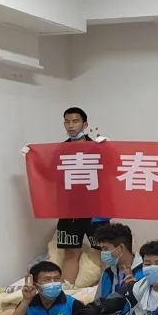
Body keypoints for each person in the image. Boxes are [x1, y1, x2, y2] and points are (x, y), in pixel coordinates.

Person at [56, 107, 110, 285]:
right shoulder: (59, 150)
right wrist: (32, 156)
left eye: (75, 121)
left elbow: (113, 168)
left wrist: (108, 149)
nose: (71, 126)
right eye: (67, 122)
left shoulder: (97, 147)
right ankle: (67, 291)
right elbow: (49, 174)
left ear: (85, 125)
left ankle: (107, 290)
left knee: (105, 251)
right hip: (70, 210)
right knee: (71, 252)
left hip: (96, 209)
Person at [93, 223, 144, 302]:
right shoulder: (108, 272)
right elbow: (97, 301)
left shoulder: (143, 272)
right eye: (102, 249)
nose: (102, 253)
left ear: (121, 247)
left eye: (105, 249)